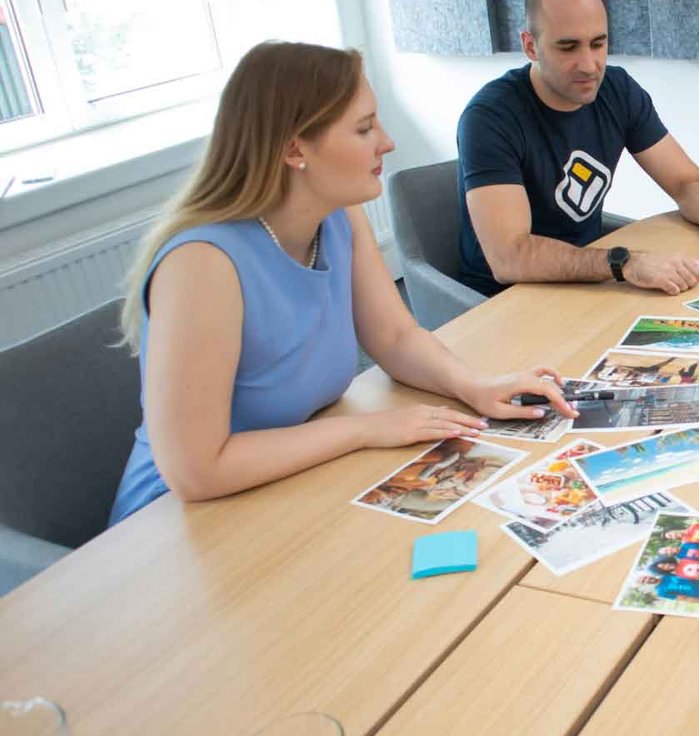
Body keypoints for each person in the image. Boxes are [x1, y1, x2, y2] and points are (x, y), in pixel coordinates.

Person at [108, 42, 577, 525]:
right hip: (175, 521)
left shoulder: (339, 215)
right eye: (364, 128)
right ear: (295, 149)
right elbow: (196, 473)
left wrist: (475, 385)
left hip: (289, 481)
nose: (387, 142)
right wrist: (365, 430)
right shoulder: (201, 264)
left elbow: (394, 338)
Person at [456, 0, 699, 297]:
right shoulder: (489, 118)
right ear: (530, 46)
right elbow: (510, 256)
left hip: (587, 283)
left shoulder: (617, 91)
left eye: (598, 43)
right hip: (502, 300)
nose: (589, 65)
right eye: (568, 47)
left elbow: (685, 182)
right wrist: (623, 263)